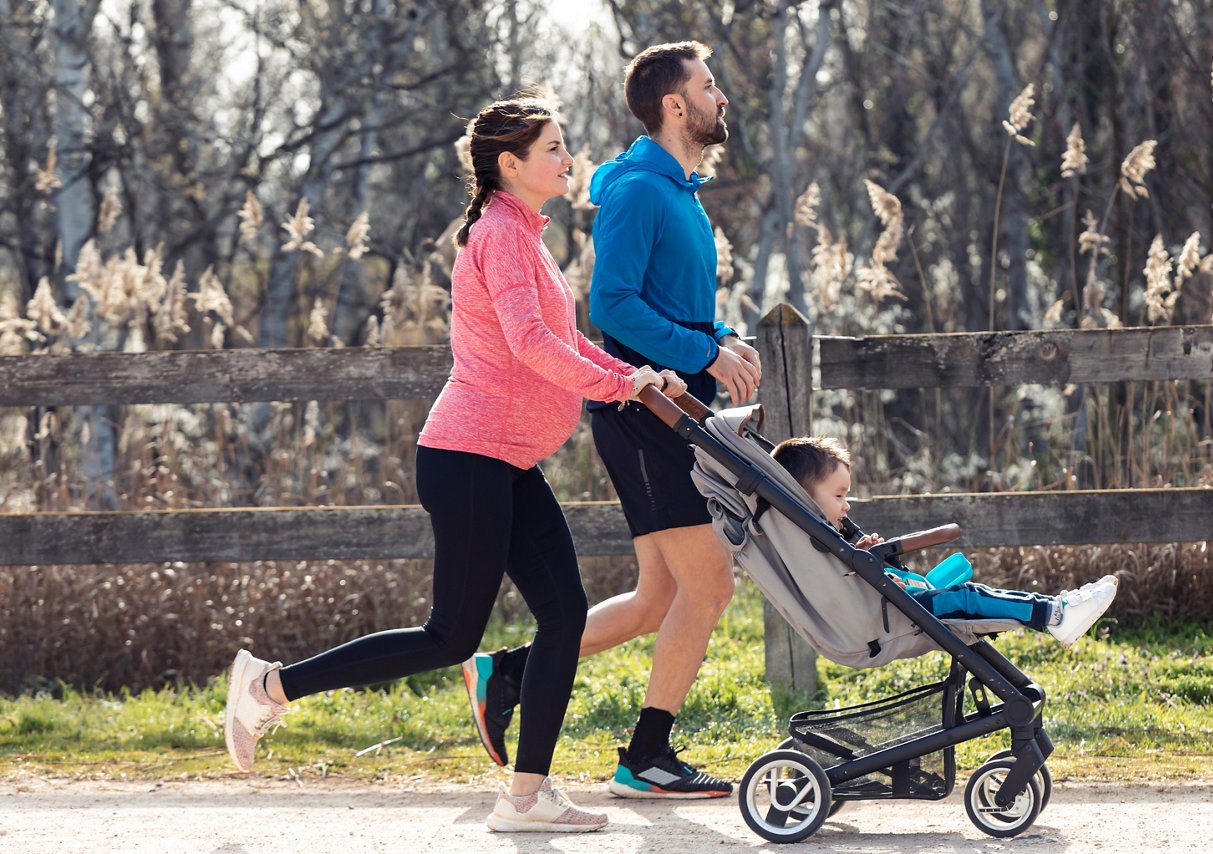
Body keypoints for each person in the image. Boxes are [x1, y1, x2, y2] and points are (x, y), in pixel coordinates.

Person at [223, 95, 687, 834]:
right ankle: (271, 687)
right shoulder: (499, 236)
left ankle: (526, 796)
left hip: (503, 461)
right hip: (468, 458)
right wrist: (616, 385)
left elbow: (563, 337)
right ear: (511, 164)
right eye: (554, 149)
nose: (569, 159)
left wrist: (639, 372)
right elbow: (532, 344)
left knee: (564, 615)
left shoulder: (525, 235)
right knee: (451, 636)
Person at [461, 41, 759, 799]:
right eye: (707, 85)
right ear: (673, 104)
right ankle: (646, 756)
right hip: (645, 413)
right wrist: (701, 351)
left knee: (659, 596)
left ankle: (510, 674)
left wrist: (717, 338)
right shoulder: (637, 192)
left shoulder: (679, 191)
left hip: (672, 408)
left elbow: (671, 302)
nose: (719, 97)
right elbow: (615, 306)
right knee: (712, 585)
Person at [770, 437, 1118, 645]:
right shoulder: (814, 541)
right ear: (805, 497)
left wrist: (868, 556)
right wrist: (861, 563)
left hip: (894, 606)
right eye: (839, 495)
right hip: (891, 618)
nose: (847, 505)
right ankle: (1053, 615)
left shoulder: (818, 536)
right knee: (968, 598)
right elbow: (839, 590)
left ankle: (1055, 607)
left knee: (969, 592)